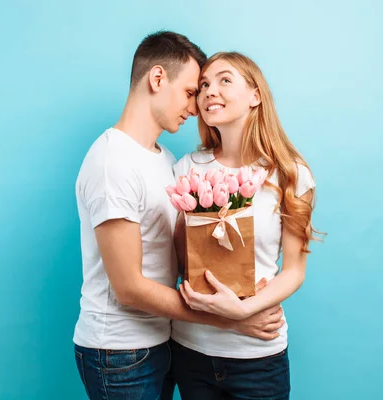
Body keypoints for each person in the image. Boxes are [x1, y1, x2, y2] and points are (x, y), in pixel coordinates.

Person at [73, 33, 284, 400]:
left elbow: (187, 254)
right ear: (157, 79)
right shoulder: (113, 162)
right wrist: (234, 318)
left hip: (162, 343)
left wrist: (248, 289)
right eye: (191, 91)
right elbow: (129, 288)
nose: (197, 104)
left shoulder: (165, 160)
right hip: (120, 352)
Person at [171, 52, 321, 399]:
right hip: (191, 350)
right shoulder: (186, 169)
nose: (210, 91)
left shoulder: (290, 174)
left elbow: (295, 270)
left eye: (225, 80)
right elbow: (181, 264)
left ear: (255, 95)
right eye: (204, 84)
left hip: (257, 356)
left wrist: (244, 310)